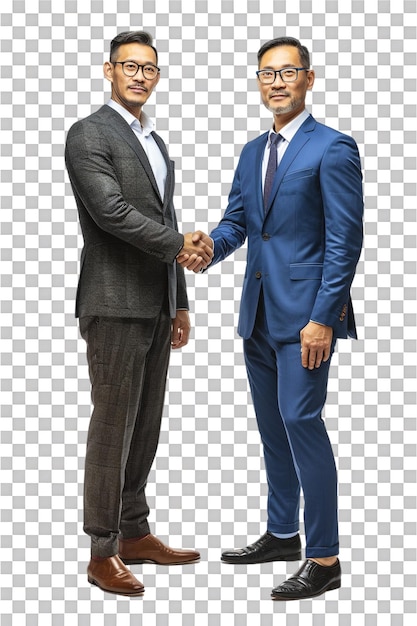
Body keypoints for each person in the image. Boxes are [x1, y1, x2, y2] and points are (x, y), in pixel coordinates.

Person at [178, 36, 363, 600]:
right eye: (266, 74)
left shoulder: (333, 148)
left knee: (301, 421)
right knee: (272, 429)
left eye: (287, 72)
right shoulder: (252, 151)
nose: (276, 82)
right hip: (256, 314)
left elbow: (344, 240)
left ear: (309, 79)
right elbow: (240, 221)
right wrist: (210, 247)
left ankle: (325, 557)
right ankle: (283, 532)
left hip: (306, 318)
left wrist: (323, 316)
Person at [65, 30, 213, 596]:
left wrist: (179, 300)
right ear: (108, 70)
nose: (139, 75)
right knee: (112, 425)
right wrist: (180, 244)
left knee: (146, 423)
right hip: (112, 302)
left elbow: (164, 215)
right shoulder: (88, 134)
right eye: (129, 65)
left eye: (149, 67)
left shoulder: (154, 140)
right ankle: (102, 550)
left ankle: (134, 531)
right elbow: (110, 212)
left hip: (155, 304)